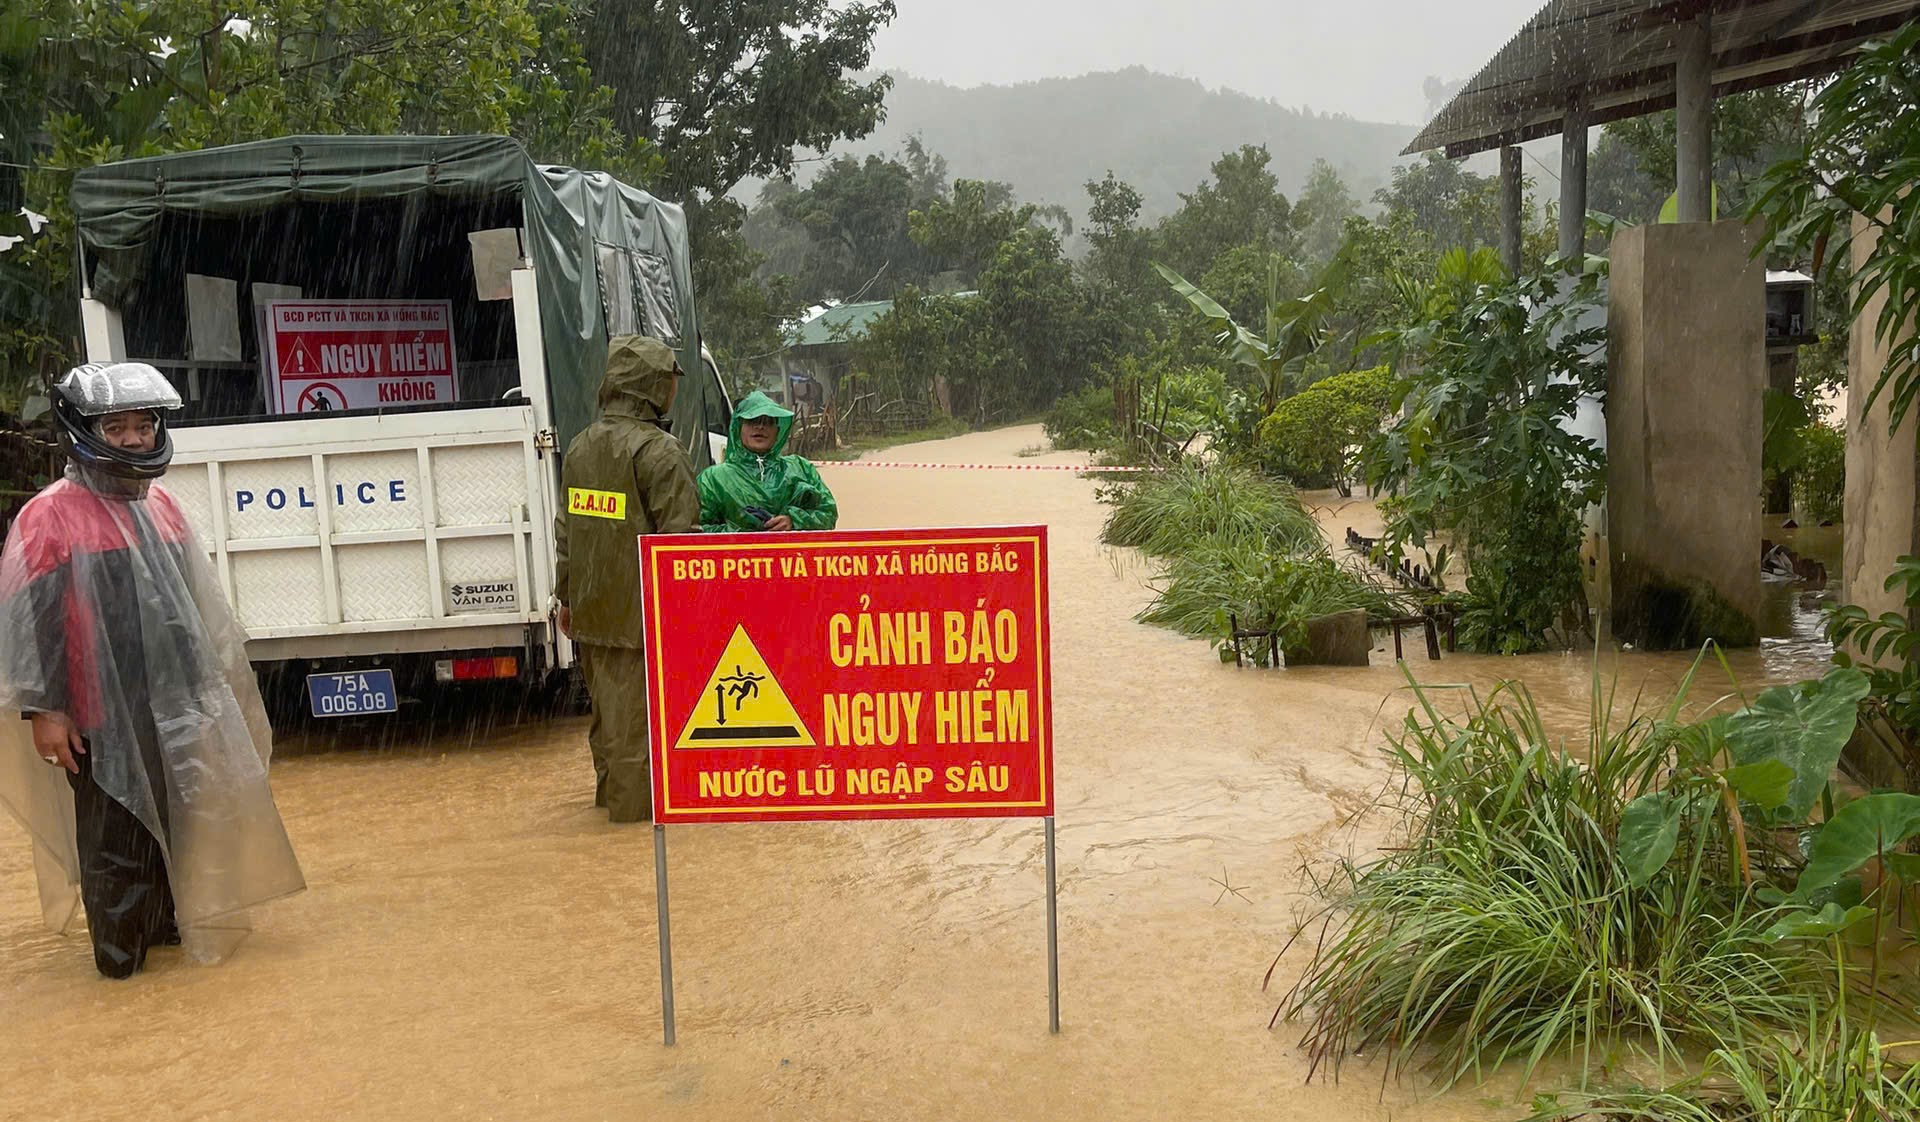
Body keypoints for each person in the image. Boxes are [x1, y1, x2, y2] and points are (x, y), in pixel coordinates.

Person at [0, 362, 305, 978]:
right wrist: (46, 711)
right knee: (115, 840)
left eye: (145, 425)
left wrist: (213, 699)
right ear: (84, 430)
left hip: (176, 706)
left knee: (183, 820)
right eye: (118, 428)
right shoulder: (47, 518)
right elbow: (31, 626)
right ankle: (123, 966)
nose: (137, 439)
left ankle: (167, 939)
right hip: (96, 712)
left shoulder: (161, 506)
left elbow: (197, 614)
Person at [554, 336, 699, 823]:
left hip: (593, 614)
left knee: (609, 727)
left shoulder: (580, 447)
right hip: (642, 621)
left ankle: (609, 815)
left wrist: (565, 597)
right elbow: (682, 548)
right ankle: (632, 830)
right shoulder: (660, 452)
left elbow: (569, 533)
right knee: (638, 734)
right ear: (654, 387)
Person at [698, 391, 839, 533]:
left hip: (792, 555)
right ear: (738, 428)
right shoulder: (713, 479)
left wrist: (794, 521)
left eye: (767, 422)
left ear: (777, 431)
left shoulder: (800, 468)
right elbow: (698, 529)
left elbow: (828, 514)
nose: (760, 427)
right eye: (752, 421)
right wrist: (742, 534)